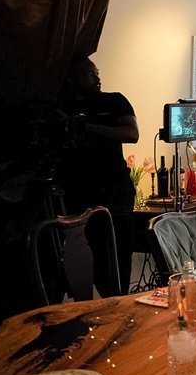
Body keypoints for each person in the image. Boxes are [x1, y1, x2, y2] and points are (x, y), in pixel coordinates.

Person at [57, 56, 140, 296]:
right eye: (89, 73)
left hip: (114, 193)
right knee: (78, 260)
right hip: (76, 193)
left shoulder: (114, 102)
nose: (97, 77)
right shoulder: (61, 109)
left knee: (116, 256)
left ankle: (117, 302)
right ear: (72, 78)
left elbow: (131, 133)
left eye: (97, 72)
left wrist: (86, 127)